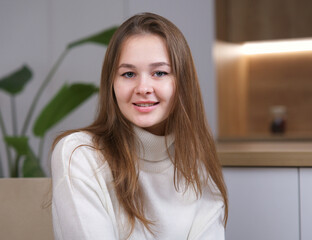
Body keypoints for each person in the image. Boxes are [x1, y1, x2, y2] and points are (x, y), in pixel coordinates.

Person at [51, 12, 228, 240]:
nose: (143, 87)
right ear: (111, 84)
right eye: (129, 74)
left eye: (160, 73)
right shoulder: (80, 154)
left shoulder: (198, 169)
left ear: (182, 84)